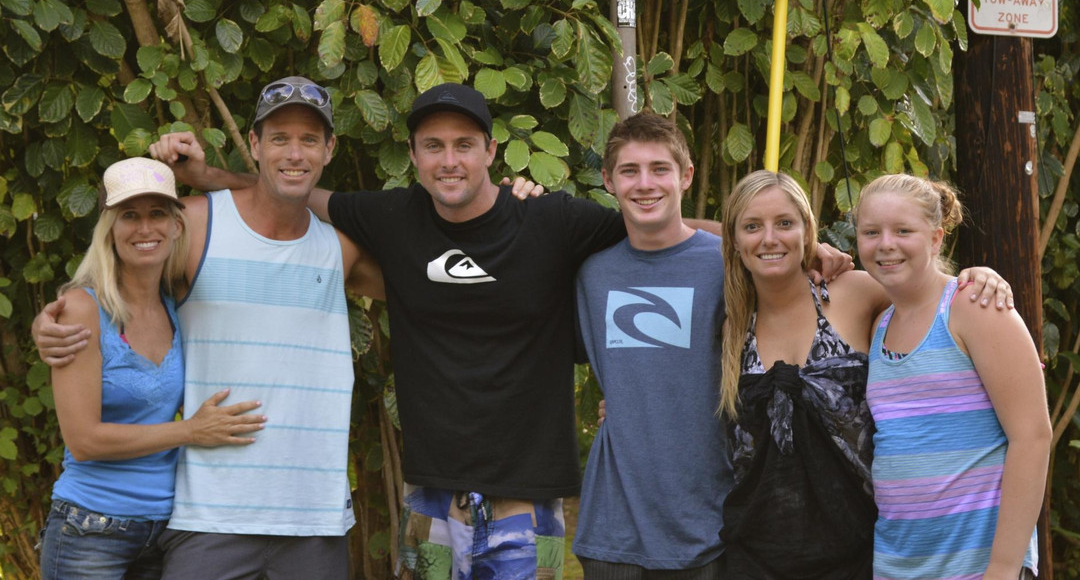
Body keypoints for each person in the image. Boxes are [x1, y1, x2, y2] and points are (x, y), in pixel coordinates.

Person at [136, 84, 770, 579]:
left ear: (490, 152)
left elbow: (663, 227)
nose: (448, 160)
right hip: (431, 498)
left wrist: (779, 246)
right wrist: (209, 178)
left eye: (464, 144)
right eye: (432, 146)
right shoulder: (392, 215)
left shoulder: (552, 221)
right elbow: (288, 193)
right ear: (412, 157)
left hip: (530, 499)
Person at [36, 76, 386, 580]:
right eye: (279, 139)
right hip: (207, 516)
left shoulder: (339, 246)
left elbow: (429, 287)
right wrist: (50, 319)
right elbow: (115, 278)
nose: (294, 152)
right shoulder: (194, 223)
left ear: (329, 148)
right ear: (254, 144)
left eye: (309, 139)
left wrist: (506, 212)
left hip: (313, 516)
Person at [717, 170, 1014, 580]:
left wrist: (978, 277)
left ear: (808, 231)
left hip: (861, 553)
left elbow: (927, 291)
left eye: (785, 223)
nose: (769, 238)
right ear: (733, 238)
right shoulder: (729, 320)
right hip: (753, 557)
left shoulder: (856, 292)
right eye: (752, 226)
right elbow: (669, 234)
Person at [39, 157, 264, 580]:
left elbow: (262, 203)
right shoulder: (81, 310)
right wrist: (192, 431)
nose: (145, 229)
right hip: (90, 528)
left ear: (177, 225)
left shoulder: (178, 303)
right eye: (130, 216)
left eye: (157, 213)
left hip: (166, 531)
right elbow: (84, 441)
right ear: (110, 229)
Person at [858, 174, 1050, 580]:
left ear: (935, 238)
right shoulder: (879, 324)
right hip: (898, 565)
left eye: (903, 230)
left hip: (978, 567)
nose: (885, 244)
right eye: (871, 232)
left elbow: (1032, 437)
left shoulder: (973, 307)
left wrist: (1003, 568)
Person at [572, 112, 730, 579]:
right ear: (608, 180)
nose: (645, 184)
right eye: (629, 170)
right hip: (612, 529)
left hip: (710, 522)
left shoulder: (730, 264)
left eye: (660, 169)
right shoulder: (590, 273)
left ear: (685, 176)